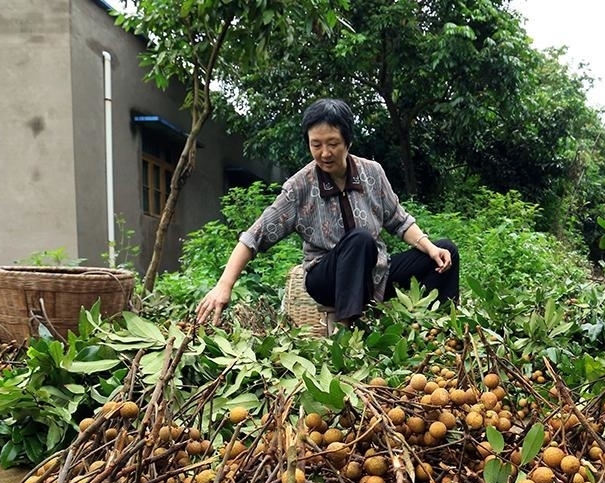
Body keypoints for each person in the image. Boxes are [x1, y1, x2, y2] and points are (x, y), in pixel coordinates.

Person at [196, 98, 459, 328]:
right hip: (326, 278)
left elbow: (399, 221)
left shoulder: (373, 173)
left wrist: (429, 247)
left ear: (348, 141)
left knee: (446, 251)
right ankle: (347, 338)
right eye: (316, 145)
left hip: (376, 274)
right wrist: (224, 285)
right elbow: (254, 237)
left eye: (333, 143)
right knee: (360, 240)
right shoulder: (300, 187)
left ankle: (440, 330)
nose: (325, 153)